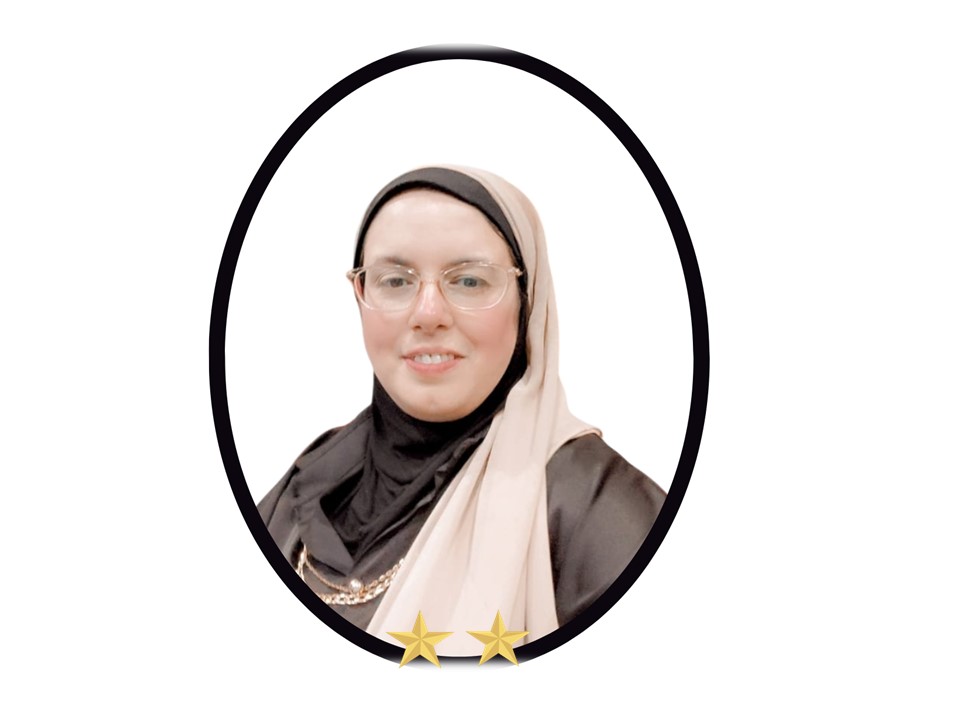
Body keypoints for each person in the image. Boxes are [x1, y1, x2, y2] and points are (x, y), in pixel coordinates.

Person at [258, 166, 665, 654]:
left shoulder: (598, 509)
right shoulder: (310, 482)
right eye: (395, 280)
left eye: (469, 281)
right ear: (360, 295)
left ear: (527, 300)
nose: (428, 314)